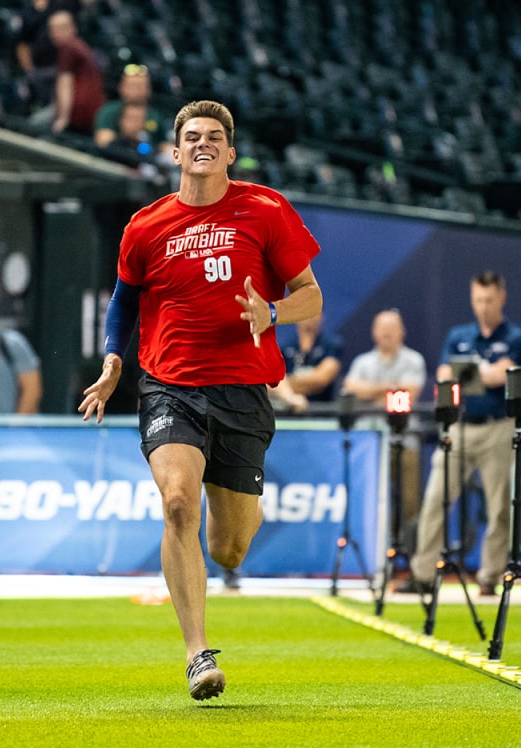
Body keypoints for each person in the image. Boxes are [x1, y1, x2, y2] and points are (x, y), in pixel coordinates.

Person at [78, 100, 323, 700]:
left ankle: (238, 514)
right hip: (169, 385)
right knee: (180, 504)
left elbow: (311, 297)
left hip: (243, 389)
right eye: (192, 136)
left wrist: (270, 312)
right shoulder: (145, 225)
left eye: (215, 136)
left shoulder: (266, 209)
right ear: (176, 151)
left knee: (229, 547)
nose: (203, 143)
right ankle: (196, 653)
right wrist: (114, 360)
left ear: (231, 152)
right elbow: (122, 302)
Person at [409, 271, 521, 595]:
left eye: (489, 299)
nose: (484, 306)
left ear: (502, 297)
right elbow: (445, 374)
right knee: (435, 499)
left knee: (499, 508)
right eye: (478, 299)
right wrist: (484, 373)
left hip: (497, 428)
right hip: (460, 428)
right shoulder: (458, 334)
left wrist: (470, 374)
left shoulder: (518, 338)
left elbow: (503, 375)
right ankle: (422, 575)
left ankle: (489, 577)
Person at [341, 308, 427, 522]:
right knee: (372, 498)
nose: (387, 333)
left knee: (410, 503)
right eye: (382, 328)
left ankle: (408, 550)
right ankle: (379, 547)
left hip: (406, 440)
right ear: (374, 332)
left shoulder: (414, 360)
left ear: (402, 332)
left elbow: (409, 393)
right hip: (371, 442)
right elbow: (351, 388)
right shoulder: (362, 362)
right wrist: (391, 388)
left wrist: (370, 394)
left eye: (392, 328)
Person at [44, 10, 104, 135]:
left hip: (77, 113)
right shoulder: (81, 46)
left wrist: (63, 118)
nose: (54, 34)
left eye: (60, 29)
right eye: (52, 29)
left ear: (72, 28)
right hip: (92, 114)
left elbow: (65, 84)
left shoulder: (68, 48)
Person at [93, 64, 169, 150]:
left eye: (140, 86)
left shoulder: (154, 116)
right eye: (132, 86)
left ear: (148, 89)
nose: (136, 90)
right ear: (121, 87)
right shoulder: (109, 110)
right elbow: (102, 140)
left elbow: (165, 145)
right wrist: (127, 137)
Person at [279, 313, 344, 405]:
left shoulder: (331, 345)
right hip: (289, 410)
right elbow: (272, 383)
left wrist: (285, 385)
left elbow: (321, 380)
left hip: (323, 410)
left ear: (322, 317)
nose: (310, 315)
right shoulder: (284, 347)